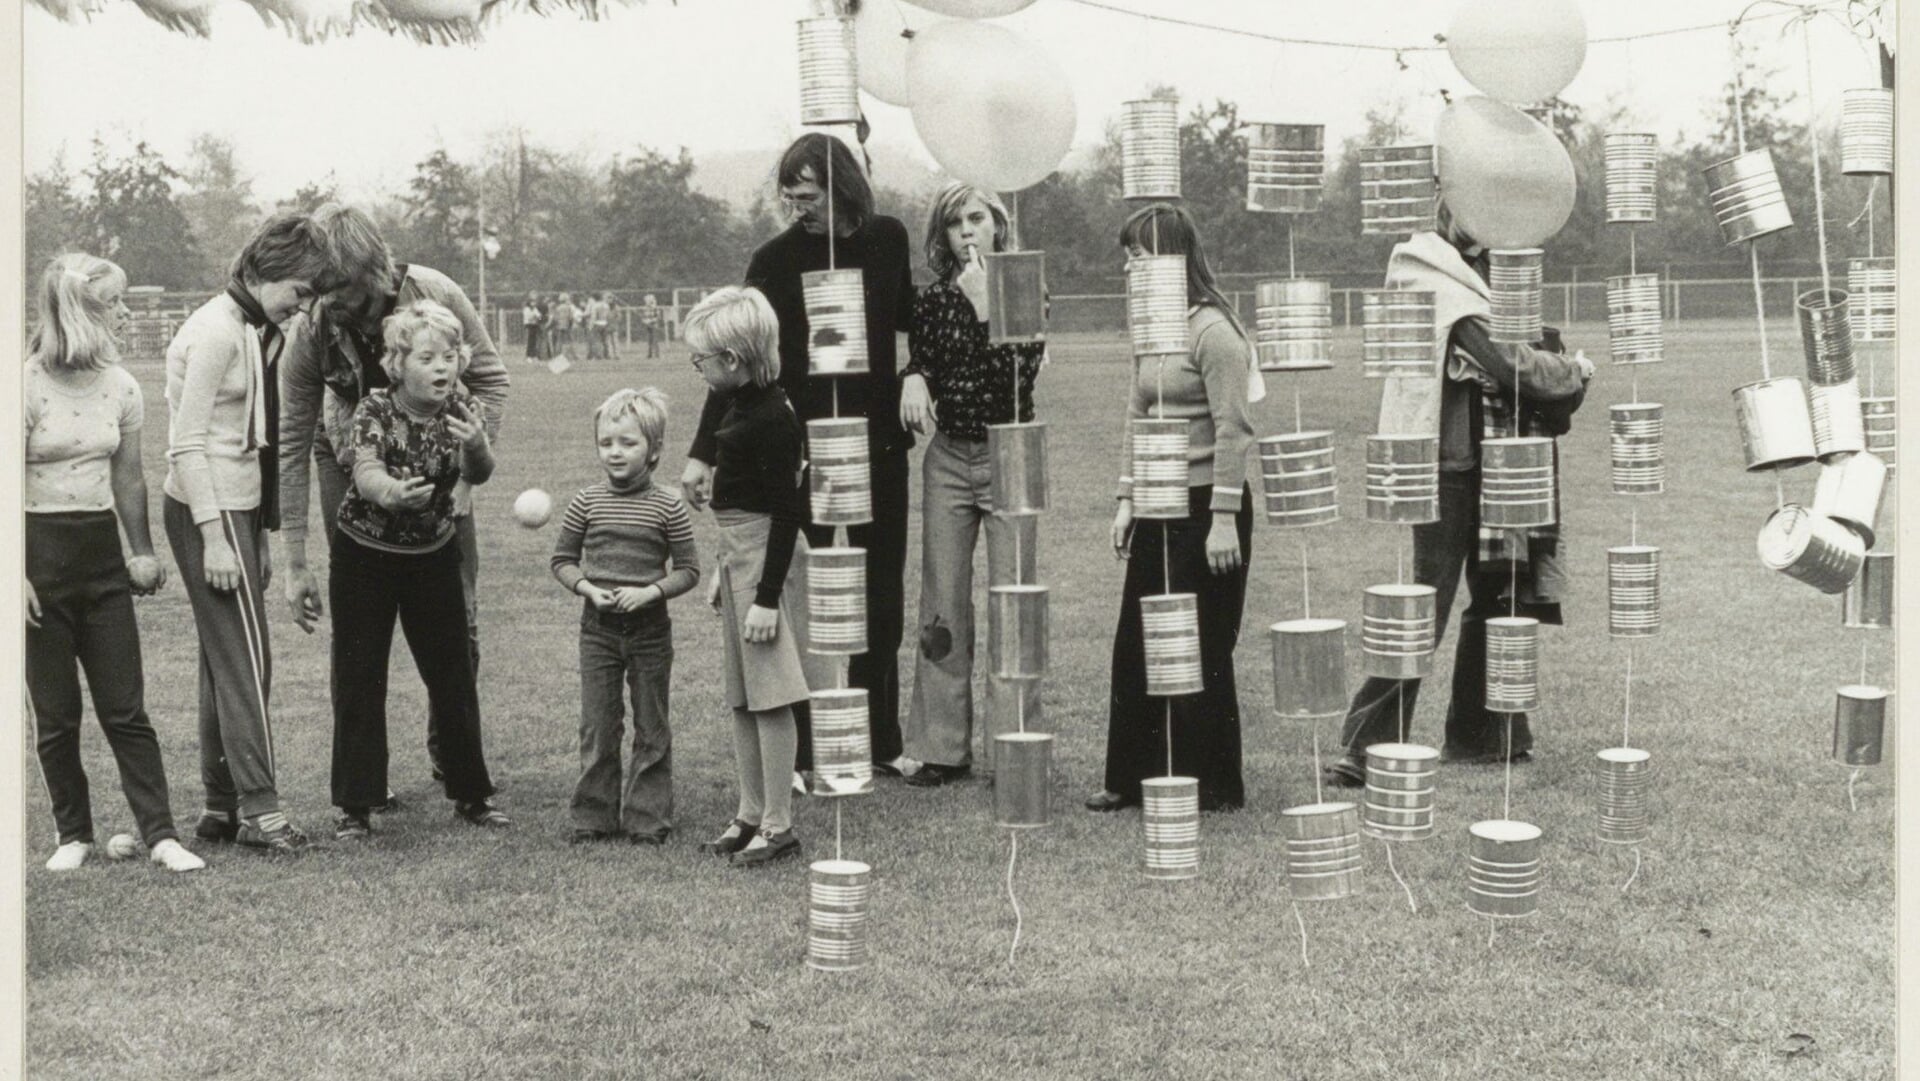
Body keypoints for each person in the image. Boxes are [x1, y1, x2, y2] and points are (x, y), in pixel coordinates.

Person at [1322, 199, 1593, 787]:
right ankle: (1367, 747)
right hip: (1448, 466)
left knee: (1499, 595)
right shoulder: (1429, 270)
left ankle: (1486, 735)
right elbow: (1513, 362)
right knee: (1423, 604)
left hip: (1508, 463)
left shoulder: (1497, 273)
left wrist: (1552, 369)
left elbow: (1530, 352)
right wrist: (1573, 372)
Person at [680, 133, 917, 783]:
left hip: (878, 448)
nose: (797, 210)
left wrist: (918, 373)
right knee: (809, 600)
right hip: (803, 453)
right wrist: (703, 452)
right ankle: (808, 750)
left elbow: (911, 318)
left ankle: (880, 738)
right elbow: (736, 361)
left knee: (880, 596)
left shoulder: (889, 239)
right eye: (788, 198)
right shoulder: (774, 259)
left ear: (843, 186)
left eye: (808, 196)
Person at [279, 203, 510, 800]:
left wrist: (464, 479)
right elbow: (293, 438)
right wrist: (296, 561)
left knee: (457, 622)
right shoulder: (313, 325)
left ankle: (453, 761)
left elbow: (491, 379)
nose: (329, 305)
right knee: (359, 630)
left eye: (343, 291)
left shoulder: (434, 293)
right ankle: (364, 787)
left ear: (375, 271)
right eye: (320, 291)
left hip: (440, 467)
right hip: (348, 460)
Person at [164, 211, 339, 853]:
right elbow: (186, 444)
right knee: (247, 662)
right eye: (300, 291)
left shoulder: (257, 328)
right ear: (267, 271)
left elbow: (257, 440)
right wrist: (215, 537)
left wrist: (260, 534)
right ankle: (262, 813)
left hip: (239, 509)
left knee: (223, 661)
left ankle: (220, 807)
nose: (303, 307)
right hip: (206, 507)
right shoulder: (215, 331)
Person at [24, 254, 205, 873]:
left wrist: (143, 551)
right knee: (56, 714)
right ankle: (73, 835)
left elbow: (128, 477)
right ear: (78, 311)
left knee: (126, 709)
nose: (126, 314)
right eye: (114, 303)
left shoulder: (123, 387)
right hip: (37, 562)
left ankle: (161, 836)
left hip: (100, 559)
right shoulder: (22, 385)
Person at [1087, 204, 1260, 815]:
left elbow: (1235, 429)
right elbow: (1138, 415)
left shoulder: (1215, 332)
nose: (1127, 269)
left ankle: (1213, 785)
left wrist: (1222, 519)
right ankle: (1130, 778)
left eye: (1136, 257)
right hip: (1156, 504)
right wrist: (1127, 498)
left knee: (1201, 645)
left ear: (1170, 260)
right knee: (1137, 641)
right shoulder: (1152, 331)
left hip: (1207, 507)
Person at [328, 300, 509, 840]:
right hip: (364, 555)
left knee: (452, 674)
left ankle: (472, 795)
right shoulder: (375, 409)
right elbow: (364, 472)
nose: (441, 367)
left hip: (433, 553)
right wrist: (392, 493)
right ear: (398, 363)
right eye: (427, 357)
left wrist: (477, 445)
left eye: (449, 356)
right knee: (361, 677)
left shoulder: (463, 406)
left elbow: (480, 472)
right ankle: (356, 806)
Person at [898, 184, 1046, 787]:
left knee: (1015, 601)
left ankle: (1014, 746)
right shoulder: (933, 299)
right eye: (954, 222)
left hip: (1010, 452)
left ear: (998, 226)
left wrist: (987, 304)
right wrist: (913, 374)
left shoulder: (1025, 286)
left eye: (976, 218)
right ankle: (941, 749)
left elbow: (1020, 375)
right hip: (949, 458)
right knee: (942, 600)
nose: (966, 231)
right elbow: (927, 359)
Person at [685, 287, 823, 867]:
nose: (697, 369)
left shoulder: (771, 417)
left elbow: (786, 514)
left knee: (771, 698)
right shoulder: (738, 402)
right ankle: (748, 813)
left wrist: (765, 597)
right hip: (739, 557)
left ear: (733, 359)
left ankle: (778, 824)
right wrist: (726, 570)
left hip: (765, 563)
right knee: (743, 699)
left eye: (701, 360)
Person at [550, 388, 701, 845]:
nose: (614, 452)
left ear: (654, 449)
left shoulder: (668, 505)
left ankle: (647, 818)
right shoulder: (586, 501)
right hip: (597, 631)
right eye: (606, 442)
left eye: (627, 443)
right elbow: (562, 560)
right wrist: (587, 588)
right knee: (598, 724)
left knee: (652, 725)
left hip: (650, 631)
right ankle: (593, 816)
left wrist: (651, 591)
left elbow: (689, 570)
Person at [551, 291, 578, 361]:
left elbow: (555, 318)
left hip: (559, 326)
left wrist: (557, 324)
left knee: (559, 341)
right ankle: (571, 355)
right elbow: (571, 317)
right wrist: (570, 325)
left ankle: (557, 355)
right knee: (568, 341)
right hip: (567, 326)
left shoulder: (557, 308)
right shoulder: (568, 308)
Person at [588, 292, 614, 360]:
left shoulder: (595, 306)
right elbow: (609, 316)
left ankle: (599, 355)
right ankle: (607, 355)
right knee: (605, 340)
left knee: (597, 340)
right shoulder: (606, 305)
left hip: (597, 323)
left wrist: (590, 325)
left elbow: (593, 316)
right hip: (605, 323)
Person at [522, 292, 544, 365]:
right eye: (532, 302)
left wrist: (537, 317)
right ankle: (528, 356)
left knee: (534, 341)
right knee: (530, 341)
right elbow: (529, 317)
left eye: (534, 302)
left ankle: (533, 355)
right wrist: (535, 316)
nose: (534, 304)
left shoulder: (534, 309)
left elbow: (539, 316)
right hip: (529, 325)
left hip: (534, 325)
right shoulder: (526, 309)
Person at [640, 294, 663, 359]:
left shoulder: (655, 308)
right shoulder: (645, 308)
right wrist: (644, 321)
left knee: (655, 340)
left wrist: (651, 320)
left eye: (647, 300)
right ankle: (649, 354)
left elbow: (658, 317)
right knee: (649, 340)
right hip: (648, 326)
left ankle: (657, 354)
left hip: (654, 325)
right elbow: (643, 317)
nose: (646, 302)